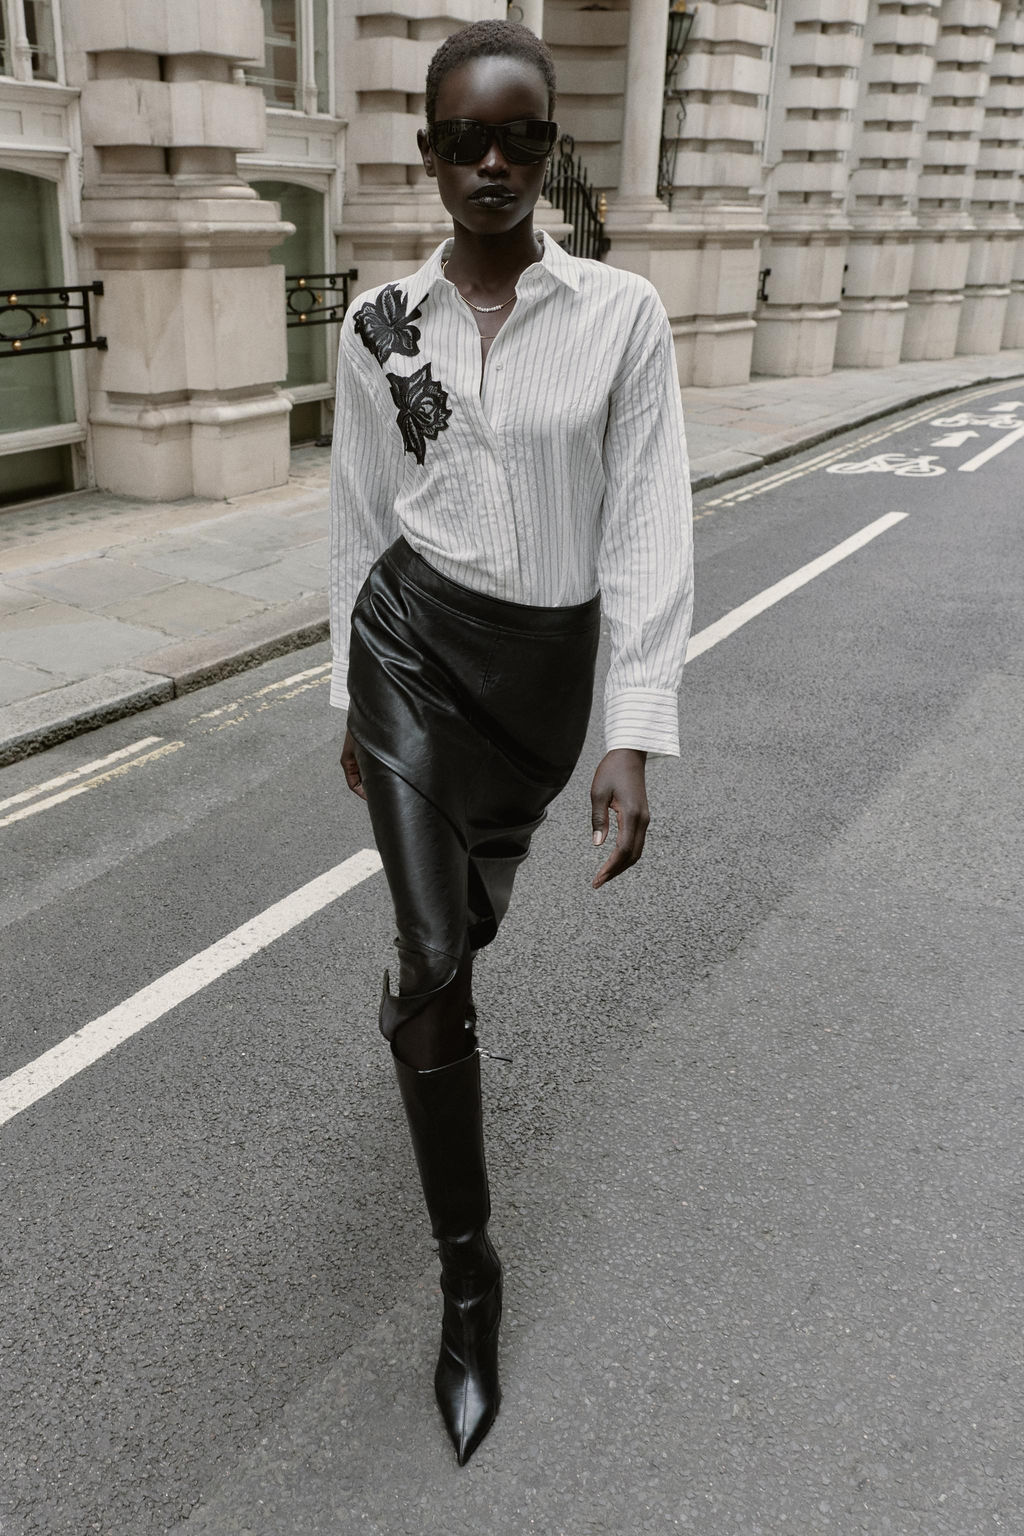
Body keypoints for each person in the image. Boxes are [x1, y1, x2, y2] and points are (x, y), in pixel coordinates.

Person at [328, 19, 693, 1466]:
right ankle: (468, 1275)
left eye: (521, 138)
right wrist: (343, 705)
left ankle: (439, 968)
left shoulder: (621, 316)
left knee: (460, 928)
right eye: (464, 141)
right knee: (429, 966)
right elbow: (357, 515)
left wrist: (635, 728)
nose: (493, 164)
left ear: (552, 150)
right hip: (409, 649)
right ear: (427, 156)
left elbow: (648, 515)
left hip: (538, 680)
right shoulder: (376, 321)